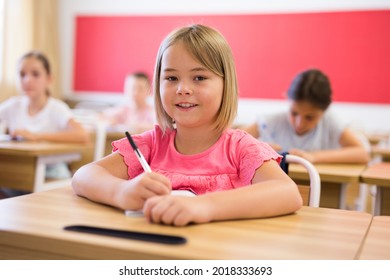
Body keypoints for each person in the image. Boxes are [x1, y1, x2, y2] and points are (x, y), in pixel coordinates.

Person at [72, 24, 302, 227]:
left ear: (226, 85)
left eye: (199, 77)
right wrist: (121, 191)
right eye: (171, 78)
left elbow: (288, 193)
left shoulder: (241, 149)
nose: (183, 89)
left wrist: (205, 207)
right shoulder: (151, 144)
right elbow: (84, 175)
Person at [0, 50, 89, 197]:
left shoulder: (56, 108)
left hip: (51, 174)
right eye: (22, 74)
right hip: (16, 173)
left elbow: (82, 135)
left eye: (35, 74)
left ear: (48, 79)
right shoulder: (13, 105)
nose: (27, 80)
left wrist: (36, 136)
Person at [242, 69, 370, 164]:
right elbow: (231, 142)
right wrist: (257, 148)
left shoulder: (331, 122)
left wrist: (313, 157)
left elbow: (362, 154)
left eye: (309, 117)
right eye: (294, 113)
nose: (299, 124)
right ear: (288, 100)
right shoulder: (271, 122)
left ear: (324, 111)